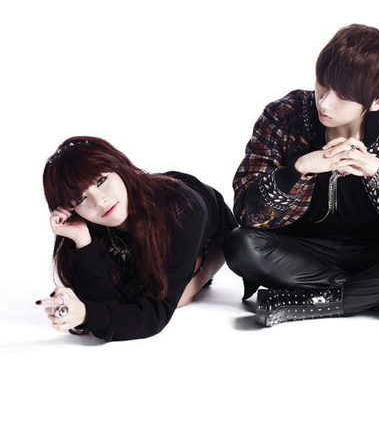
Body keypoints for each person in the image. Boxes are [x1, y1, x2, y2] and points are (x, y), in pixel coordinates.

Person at [223, 23, 379, 327]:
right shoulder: (284, 114)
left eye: (342, 95)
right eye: (322, 84)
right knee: (240, 244)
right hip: (304, 252)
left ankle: (314, 302)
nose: (324, 102)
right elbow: (247, 214)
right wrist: (299, 169)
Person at [36, 136, 237, 342]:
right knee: (133, 287)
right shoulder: (90, 223)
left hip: (211, 231)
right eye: (80, 199)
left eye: (101, 181)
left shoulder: (183, 212)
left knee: (176, 297)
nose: (100, 201)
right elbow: (106, 301)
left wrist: (87, 315)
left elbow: (155, 314)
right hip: (146, 208)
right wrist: (82, 241)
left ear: (119, 168)